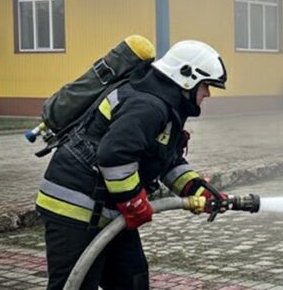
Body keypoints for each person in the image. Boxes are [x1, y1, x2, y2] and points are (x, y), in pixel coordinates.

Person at [35, 40, 228, 290]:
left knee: (133, 281)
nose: (207, 94)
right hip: (74, 209)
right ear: (187, 78)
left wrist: (196, 188)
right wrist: (134, 202)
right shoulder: (148, 105)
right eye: (206, 86)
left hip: (110, 211)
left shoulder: (164, 104)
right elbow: (114, 156)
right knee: (76, 285)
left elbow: (165, 159)